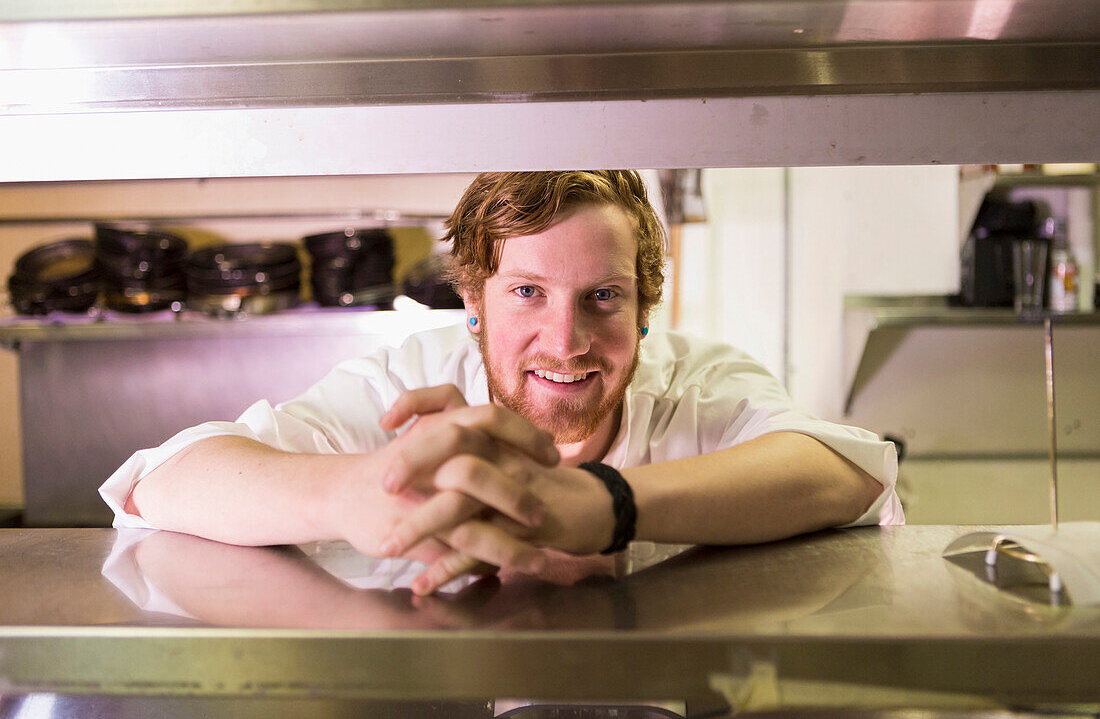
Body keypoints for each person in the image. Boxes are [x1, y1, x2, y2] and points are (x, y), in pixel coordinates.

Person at [101, 171, 903, 596]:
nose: (567, 340)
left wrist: (605, 506)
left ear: (646, 306)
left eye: (604, 296)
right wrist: (350, 491)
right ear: (473, 302)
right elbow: (159, 482)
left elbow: (850, 471)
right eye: (527, 292)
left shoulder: (698, 381)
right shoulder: (409, 380)